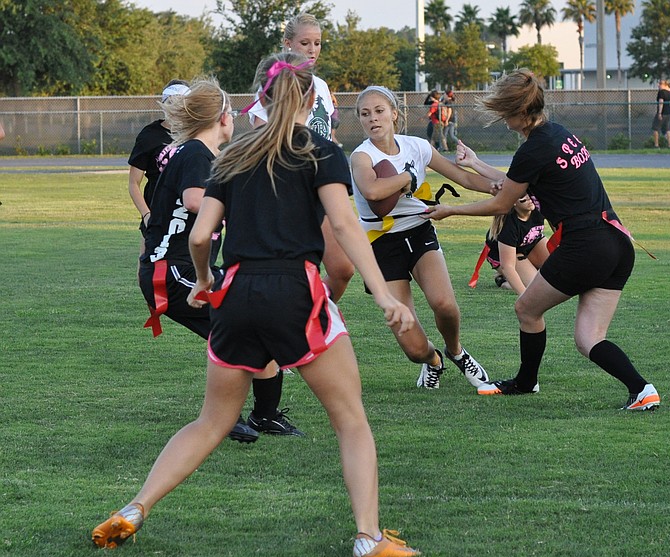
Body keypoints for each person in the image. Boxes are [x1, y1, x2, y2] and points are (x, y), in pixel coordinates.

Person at [92, 52, 421, 557]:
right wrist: (382, 294)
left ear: (258, 99)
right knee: (351, 419)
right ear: (312, 101)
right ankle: (367, 536)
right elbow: (345, 225)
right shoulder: (321, 152)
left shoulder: (233, 156)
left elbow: (201, 235)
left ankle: (136, 507)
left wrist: (203, 281)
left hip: (237, 291)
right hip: (295, 288)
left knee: (211, 421)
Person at [423, 69, 661, 410]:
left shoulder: (534, 149)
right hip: (617, 242)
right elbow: (515, 181)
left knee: (526, 309)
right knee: (589, 338)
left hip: (586, 246)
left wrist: (451, 211)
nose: (505, 121)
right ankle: (642, 390)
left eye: (506, 114)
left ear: (521, 112)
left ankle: (526, 382)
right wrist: (475, 163)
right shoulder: (558, 134)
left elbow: (503, 201)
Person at [137, 76, 301, 442]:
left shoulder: (203, 154)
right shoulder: (196, 152)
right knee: (242, 329)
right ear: (222, 118)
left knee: (254, 327)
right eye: (230, 111)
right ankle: (230, 417)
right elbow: (196, 201)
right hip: (175, 271)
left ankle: (263, 416)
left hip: (184, 267)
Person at [350, 85, 494, 390]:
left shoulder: (417, 147)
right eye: (365, 114)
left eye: (379, 111)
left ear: (394, 115)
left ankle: (456, 351)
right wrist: (408, 178)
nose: (373, 119)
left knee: (445, 305)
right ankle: (433, 360)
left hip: (418, 229)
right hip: (380, 243)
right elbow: (373, 191)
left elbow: (464, 177)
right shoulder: (361, 156)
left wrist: (497, 187)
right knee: (414, 348)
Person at [248, 11, 354, 302]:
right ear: (288, 44)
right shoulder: (273, 82)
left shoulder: (319, 85)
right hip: (288, 186)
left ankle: (314, 314)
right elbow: (260, 137)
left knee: (343, 268)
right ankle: (298, 326)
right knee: (294, 270)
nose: (312, 49)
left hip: (320, 185)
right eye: (305, 42)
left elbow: (327, 133)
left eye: (317, 43)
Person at [127, 80, 189, 250]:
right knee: (149, 266)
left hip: (187, 213)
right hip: (157, 213)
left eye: (181, 103)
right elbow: (133, 183)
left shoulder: (196, 133)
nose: (176, 109)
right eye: (171, 103)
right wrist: (147, 215)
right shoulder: (150, 135)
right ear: (164, 105)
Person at [478, 195, 549, 294]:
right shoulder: (508, 226)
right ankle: (504, 280)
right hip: (506, 255)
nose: (530, 198)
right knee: (537, 286)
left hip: (530, 243)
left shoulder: (538, 205)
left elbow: (559, 228)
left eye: (530, 192)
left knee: (561, 271)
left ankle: (527, 270)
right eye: (523, 196)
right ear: (513, 202)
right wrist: (524, 297)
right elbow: (507, 266)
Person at [652, 79, 670, 149]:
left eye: (660, 84)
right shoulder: (669, 93)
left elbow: (661, 102)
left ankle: (656, 145)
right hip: (668, 113)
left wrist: (660, 113)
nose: (658, 85)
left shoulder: (661, 92)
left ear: (664, 85)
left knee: (655, 128)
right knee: (667, 129)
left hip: (662, 113)